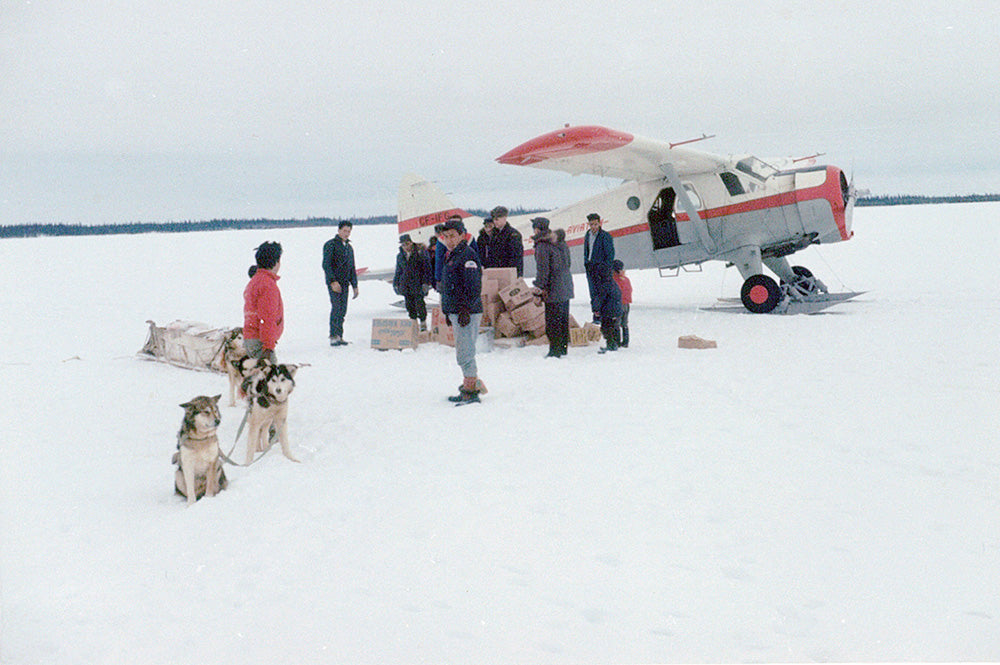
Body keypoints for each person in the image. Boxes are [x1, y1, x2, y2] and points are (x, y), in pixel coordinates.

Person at [439, 217, 485, 405]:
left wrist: (465, 309)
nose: (449, 240)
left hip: (468, 313)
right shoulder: (452, 255)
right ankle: (468, 385)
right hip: (457, 312)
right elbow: (450, 286)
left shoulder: (467, 255)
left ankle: (471, 391)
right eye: (446, 236)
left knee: (465, 353)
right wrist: (448, 311)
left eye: (452, 236)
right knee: (462, 352)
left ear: (462, 235)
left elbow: (473, 286)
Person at [530, 217, 574, 358]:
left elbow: (543, 271)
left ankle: (554, 351)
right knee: (562, 320)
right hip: (566, 286)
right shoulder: (561, 242)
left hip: (553, 289)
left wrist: (538, 290)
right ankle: (563, 348)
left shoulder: (542, 245)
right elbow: (568, 263)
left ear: (536, 229)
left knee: (552, 322)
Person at [243, 241, 284, 360]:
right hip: (260, 342)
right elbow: (266, 318)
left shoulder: (255, 281)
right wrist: (268, 346)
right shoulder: (268, 285)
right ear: (276, 262)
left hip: (251, 338)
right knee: (269, 378)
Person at [322, 221, 358, 346]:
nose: (346, 234)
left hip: (345, 283)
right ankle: (333, 336)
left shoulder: (349, 247)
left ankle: (340, 336)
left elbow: (352, 267)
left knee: (343, 310)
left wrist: (355, 285)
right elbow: (326, 265)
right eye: (344, 231)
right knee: (336, 308)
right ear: (339, 230)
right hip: (334, 283)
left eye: (349, 231)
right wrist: (332, 281)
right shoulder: (330, 245)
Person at [393, 234, 432, 331]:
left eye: (407, 244)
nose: (406, 247)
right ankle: (413, 323)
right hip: (406, 284)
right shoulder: (400, 256)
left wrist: (426, 283)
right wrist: (396, 284)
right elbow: (398, 271)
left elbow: (427, 269)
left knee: (420, 304)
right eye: (403, 245)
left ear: (411, 242)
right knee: (409, 305)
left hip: (418, 284)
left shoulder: (420, 253)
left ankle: (423, 323)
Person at [583, 212, 614, 322]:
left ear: (600, 223)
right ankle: (596, 316)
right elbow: (586, 251)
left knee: (602, 293)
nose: (593, 227)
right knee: (593, 293)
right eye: (591, 224)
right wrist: (586, 263)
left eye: (595, 224)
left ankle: (604, 316)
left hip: (601, 269)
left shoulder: (605, 236)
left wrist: (606, 269)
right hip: (591, 268)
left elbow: (610, 255)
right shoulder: (587, 235)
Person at [591, 262, 623, 353]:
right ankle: (615, 344)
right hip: (616, 310)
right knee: (614, 327)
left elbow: (600, 298)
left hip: (608, 311)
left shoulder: (604, 285)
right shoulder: (613, 283)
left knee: (606, 328)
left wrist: (596, 309)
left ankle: (611, 345)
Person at [484, 205, 524, 276]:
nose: (495, 222)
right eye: (494, 219)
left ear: (504, 218)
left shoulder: (513, 235)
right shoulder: (494, 234)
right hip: (495, 273)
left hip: (508, 273)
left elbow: (516, 258)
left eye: (497, 219)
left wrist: (517, 276)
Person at [612, 259, 632, 348]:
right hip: (627, 303)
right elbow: (630, 290)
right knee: (624, 323)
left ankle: (617, 341)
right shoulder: (626, 279)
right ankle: (626, 341)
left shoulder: (613, 279)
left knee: (616, 323)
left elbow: (614, 292)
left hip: (618, 303)